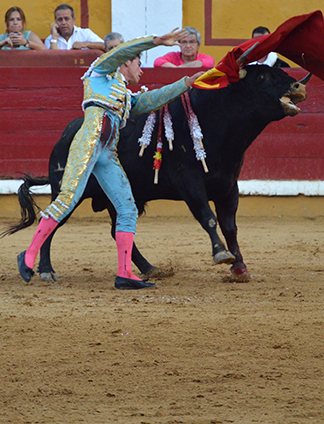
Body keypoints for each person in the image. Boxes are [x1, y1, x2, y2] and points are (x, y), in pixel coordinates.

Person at [16, 29, 205, 290]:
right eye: (139, 62)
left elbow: (150, 100)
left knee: (127, 209)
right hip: (88, 144)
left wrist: (186, 82)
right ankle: (28, 255)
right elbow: (119, 52)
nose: (142, 69)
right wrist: (154, 41)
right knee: (67, 199)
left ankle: (125, 272)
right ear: (126, 62)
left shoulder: (124, 95)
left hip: (106, 153)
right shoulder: (100, 73)